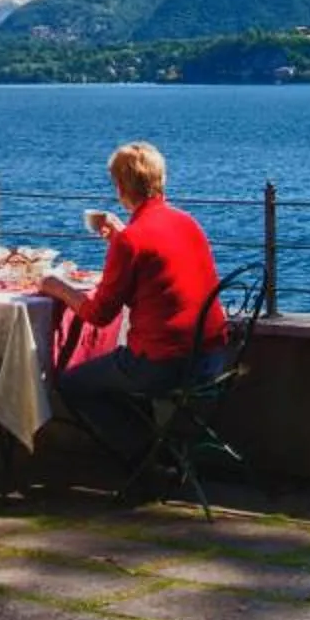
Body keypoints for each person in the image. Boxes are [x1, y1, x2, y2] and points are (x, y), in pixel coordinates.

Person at [43, 140, 228, 462]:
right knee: (119, 377)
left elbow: (100, 313)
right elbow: (159, 270)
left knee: (72, 383)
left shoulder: (132, 239)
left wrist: (57, 287)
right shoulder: (187, 222)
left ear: (119, 186)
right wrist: (121, 236)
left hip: (165, 365)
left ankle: (146, 455)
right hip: (213, 357)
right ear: (161, 179)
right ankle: (158, 449)